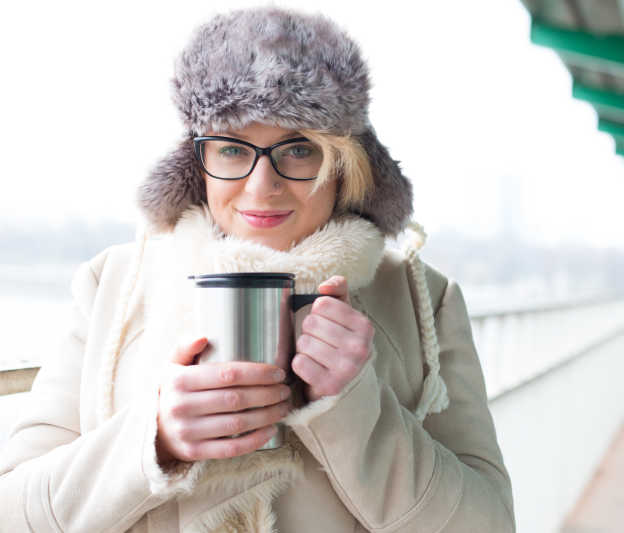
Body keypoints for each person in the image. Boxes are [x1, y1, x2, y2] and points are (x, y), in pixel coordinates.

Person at [0, 6, 514, 532]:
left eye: (296, 150)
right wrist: (153, 439)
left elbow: (488, 523)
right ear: (196, 163)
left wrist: (353, 407)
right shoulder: (111, 285)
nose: (261, 186)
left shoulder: (420, 298)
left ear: (344, 163)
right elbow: (14, 512)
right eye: (230, 148)